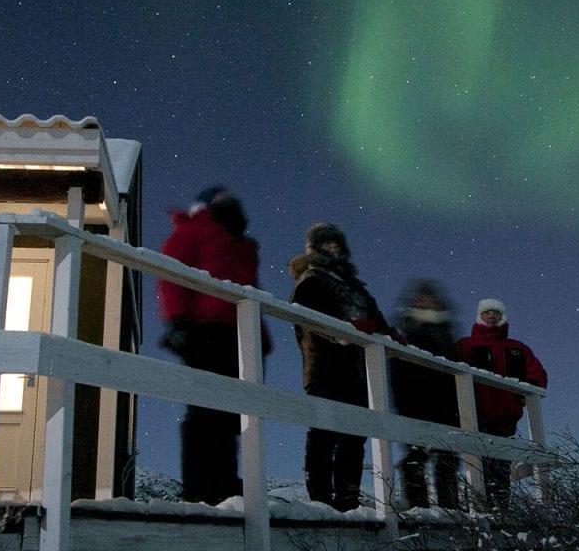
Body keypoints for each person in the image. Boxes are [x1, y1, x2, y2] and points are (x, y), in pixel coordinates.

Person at [157, 185, 270, 505]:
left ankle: (224, 484)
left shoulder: (241, 244)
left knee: (234, 414)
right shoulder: (193, 231)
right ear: (207, 204)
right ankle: (199, 489)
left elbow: (251, 293)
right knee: (205, 409)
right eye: (222, 198)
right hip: (205, 331)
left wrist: (261, 339)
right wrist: (178, 320)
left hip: (241, 335)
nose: (230, 201)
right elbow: (172, 273)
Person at [289, 222, 398, 512]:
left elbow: (377, 320)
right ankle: (321, 501)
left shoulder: (355, 286)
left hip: (358, 369)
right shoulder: (311, 277)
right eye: (326, 243)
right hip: (324, 365)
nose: (333, 248)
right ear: (316, 248)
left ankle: (348, 499)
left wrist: (391, 335)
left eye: (336, 243)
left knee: (355, 434)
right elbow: (304, 316)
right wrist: (343, 330)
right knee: (325, 431)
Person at [455, 298, 547, 509]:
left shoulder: (518, 348)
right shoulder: (465, 345)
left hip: (507, 414)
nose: (492, 316)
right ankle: (479, 508)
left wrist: (531, 384)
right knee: (477, 460)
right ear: (480, 316)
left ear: (502, 317)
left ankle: (501, 509)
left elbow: (537, 371)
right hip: (476, 412)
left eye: (496, 313)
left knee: (502, 465)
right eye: (487, 313)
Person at [391, 280, 462, 510]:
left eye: (430, 297)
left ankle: (449, 506)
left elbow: (455, 365)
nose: (426, 301)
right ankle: (417, 507)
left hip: (446, 400)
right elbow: (397, 366)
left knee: (448, 455)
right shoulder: (406, 327)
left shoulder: (446, 332)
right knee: (415, 454)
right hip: (413, 399)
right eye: (421, 297)